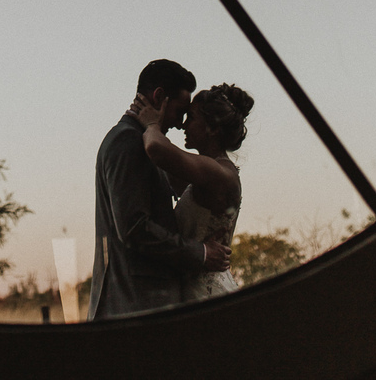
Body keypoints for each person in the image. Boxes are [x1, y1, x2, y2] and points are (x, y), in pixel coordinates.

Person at [88, 60, 231, 320]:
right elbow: (134, 228)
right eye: (179, 111)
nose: (179, 124)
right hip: (137, 304)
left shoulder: (141, 142)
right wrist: (200, 253)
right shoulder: (128, 141)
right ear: (159, 96)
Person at [130, 82, 254, 303]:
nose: (183, 125)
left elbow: (156, 148)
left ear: (212, 128)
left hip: (206, 294)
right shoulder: (203, 172)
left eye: (192, 118)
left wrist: (151, 123)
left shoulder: (218, 172)